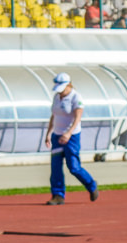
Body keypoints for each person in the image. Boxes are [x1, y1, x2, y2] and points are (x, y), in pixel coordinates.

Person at [45, 73, 99, 205]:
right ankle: (58, 195)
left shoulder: (76, 97)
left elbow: (77, 118)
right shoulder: (56, 97)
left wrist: (68, 133)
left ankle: (91, 185)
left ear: (69, 85)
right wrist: (48, 133)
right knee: (55, 167)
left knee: (73, 167)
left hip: (72, 137)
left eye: (63, 88)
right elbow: (54, 116)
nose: (61, 91)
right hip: (57, 136)